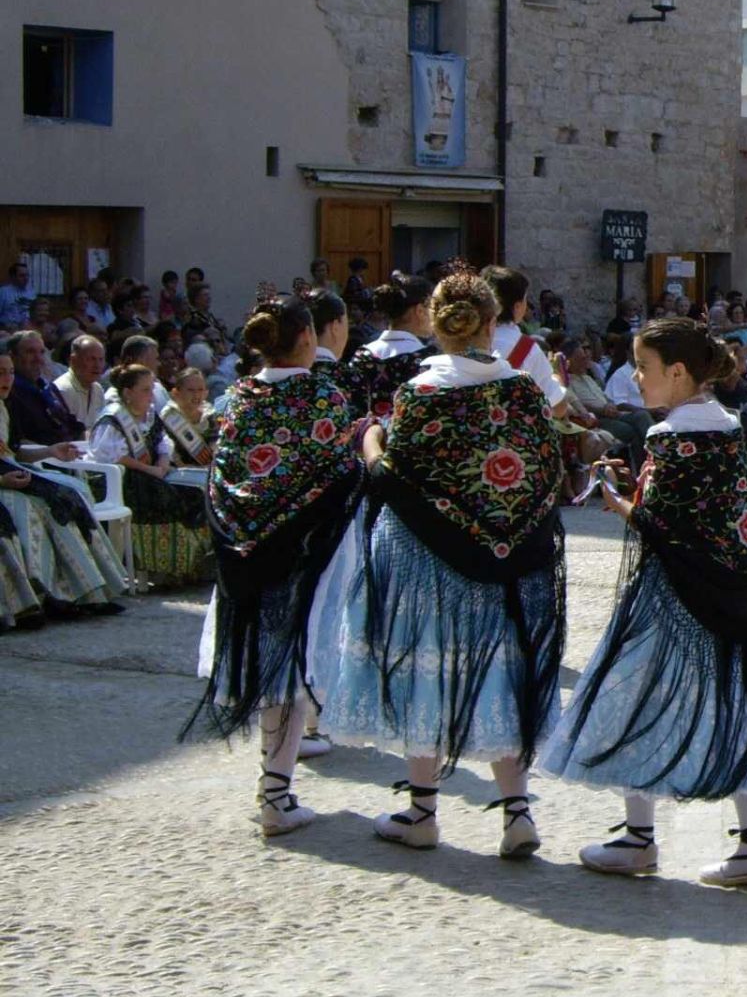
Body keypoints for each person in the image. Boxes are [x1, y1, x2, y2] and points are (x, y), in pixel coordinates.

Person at [542, 318, 747, 886]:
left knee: (634, 695)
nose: (635, 378)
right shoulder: (726, 426)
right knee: (732, 702)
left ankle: (640, 839)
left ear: (679, 372)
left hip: (673, 595)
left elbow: (660, 520)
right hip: (731, 587)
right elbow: (702, 509)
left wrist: (616, 501)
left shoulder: (670, 436)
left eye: (644, 367)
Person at [319, 271, 568, 858]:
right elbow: (542, 471)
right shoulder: (523, 392)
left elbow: (392, 478)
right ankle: (517, 814)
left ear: (436, 322)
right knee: (504, 671)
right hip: (509, 566)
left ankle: (422, 811)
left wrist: (372, 438)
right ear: (491, 322)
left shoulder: (421, 393)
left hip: (427, 557)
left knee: (422, 669)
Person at [184, 296, 360, 835]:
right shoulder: (323, 396)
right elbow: (341, 472)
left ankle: (275, 786)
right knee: (289, 667)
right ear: (308, 338)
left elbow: (225, 471)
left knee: (267, 667)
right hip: (305, 552)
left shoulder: (239, 396)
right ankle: (276, 794)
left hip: (244, 548)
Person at [0, 342, 129, 620]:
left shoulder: (5, 406)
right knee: (30, 511)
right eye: (1, 373)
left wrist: (50, 451)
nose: (6, 379)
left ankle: (88, 593)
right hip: (4, 483)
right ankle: (37, 599)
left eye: (9, 373)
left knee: (68, 494)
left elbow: (11, 451)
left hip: (13, 472)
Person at [87, 363, 213, 587]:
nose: (151, 396)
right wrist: (151, 470)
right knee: (169, 496)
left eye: (152, 389)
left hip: (150, 475)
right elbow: (112, 456)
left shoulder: (150, 416)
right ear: (127, 393)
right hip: (122, 480)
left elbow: (163, 444)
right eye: (145, 390)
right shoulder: (113, 418)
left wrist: (163, 463)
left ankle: (192, 566)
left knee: (196, 491)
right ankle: (161, 569)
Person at [335, 273, 437, 421]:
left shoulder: (362, 356)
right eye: (432, 307)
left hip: (366, 440)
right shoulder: (428, 360)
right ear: (420, 310)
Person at [483, 264, 568, 414]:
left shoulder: (458, 343)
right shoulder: (527, 348)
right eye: (525, 299)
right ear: (517, 306)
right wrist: (556, 375)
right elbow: (559, 407)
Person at [5, 331, 85, 446]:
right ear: (13, 357)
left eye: (42, 352)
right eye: (30, 352)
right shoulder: (9, 393)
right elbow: (17, 443)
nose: (38, 359)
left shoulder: (48, 388)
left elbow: (75, 426)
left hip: (72, 453)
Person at [160, 366, 215, 467]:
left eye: (200, 390)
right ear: (176, 392)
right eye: (190, 390)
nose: (196, 395)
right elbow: (170, 454)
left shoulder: (210, 415)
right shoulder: (170, 416)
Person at [55, 334, 107, 430]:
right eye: (91, 359)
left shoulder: (97, 388)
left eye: (101, 359)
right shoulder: (63, 389)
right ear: (73, 360)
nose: (97, 365)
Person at [0, 262, 35, 328]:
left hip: (27, 329)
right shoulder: (3, 292)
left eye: (27, 275)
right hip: (7, 328)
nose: (26, 278)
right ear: (13, 276)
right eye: (22, 276)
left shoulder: (31, 292)